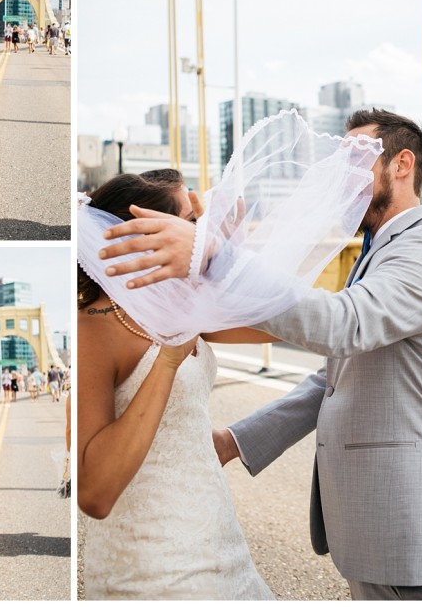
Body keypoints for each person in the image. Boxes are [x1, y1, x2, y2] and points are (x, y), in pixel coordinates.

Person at [98, 109, 422, 600]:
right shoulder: (377, 250)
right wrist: (237, 440)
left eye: (355, 159)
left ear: (401, 164)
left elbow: (341, 326)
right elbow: (332, 378)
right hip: (379, 528)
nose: (339, 174)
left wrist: (219, 257)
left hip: (413, 525)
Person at [79, 171, 273, 600]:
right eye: (191, 220)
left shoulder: (184, 303)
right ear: (148, 234)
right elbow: (95, 493)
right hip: (153, 570)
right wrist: (168, 358)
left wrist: (226, 259)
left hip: (220, 546)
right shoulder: (92, 328)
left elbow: (285, 324)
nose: (201, 231)